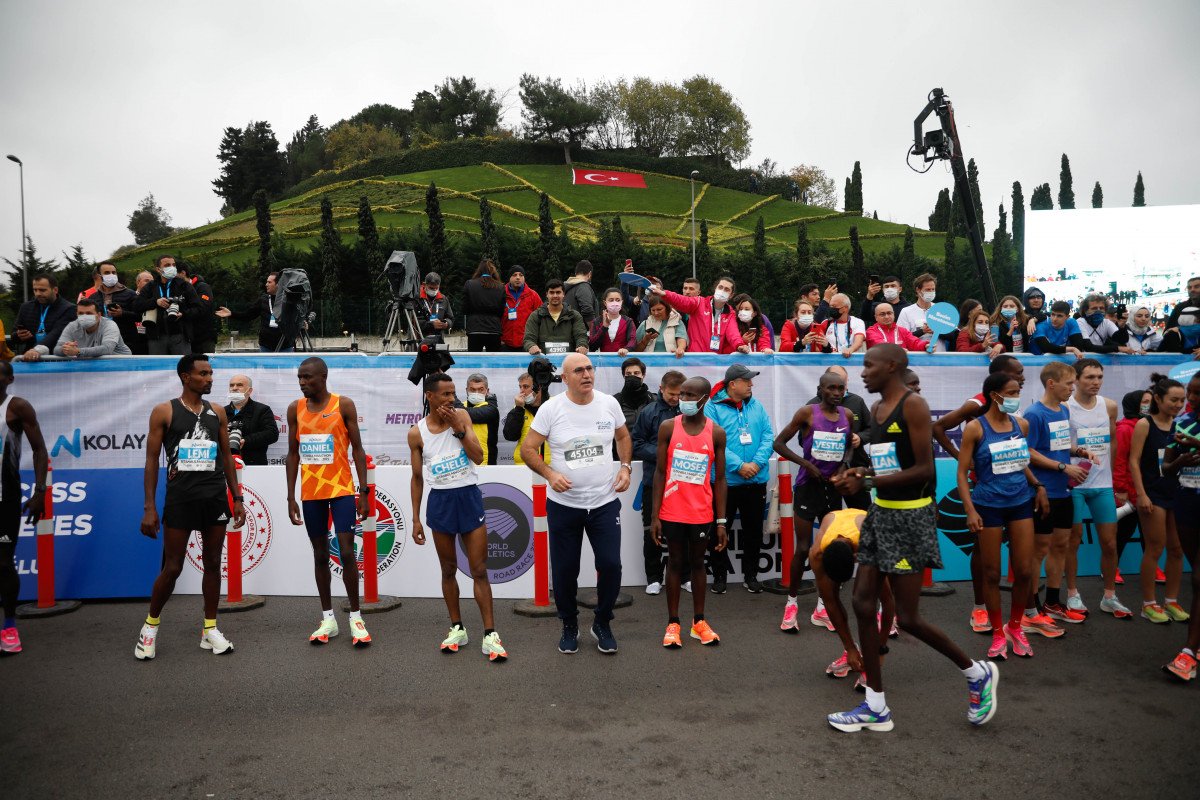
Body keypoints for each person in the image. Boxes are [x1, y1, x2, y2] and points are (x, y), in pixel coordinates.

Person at [827, 344, 997, 733]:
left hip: (908, 519)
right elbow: (891, 461)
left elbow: (923, 470)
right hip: (880, 513)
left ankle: (976, 672)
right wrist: (865, 475)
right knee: (862, 602)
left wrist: (869, 478)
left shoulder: (913, 405)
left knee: (907, 617)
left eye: (869, 365)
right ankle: (875, 706)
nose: (863, 371)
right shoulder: (878, 410)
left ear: (892, 366)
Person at [520, 353, 633, 655]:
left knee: (610, 565)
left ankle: (602, 622)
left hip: (604, 503)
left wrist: (625, 467)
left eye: (589, 369)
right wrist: (549, 473)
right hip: (564, 505)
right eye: (578, 370)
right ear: (565, 378)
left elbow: (623, 437)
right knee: (565, 571)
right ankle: (569, 623)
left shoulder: (609, 404)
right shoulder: (551, 408)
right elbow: (529, 449)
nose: (586, 374)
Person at [135, 354, 245, 660]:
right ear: (186, 377)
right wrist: (149, 507)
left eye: (211, 373)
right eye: (203, 373)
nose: (210, 378)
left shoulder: (218, 411)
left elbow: (226, 458)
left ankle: (210, 629)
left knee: (212, 563)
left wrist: (236, 498)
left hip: (213, 498)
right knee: (172, 567)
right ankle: (150, 628)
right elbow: (150, 461)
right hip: (181, 498)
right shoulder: (164, 411)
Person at [408, 373, 508, 662]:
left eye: (453, 393)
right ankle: (457, 628)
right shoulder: (416, 433)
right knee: (448, 569)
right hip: (440, 502)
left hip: (468, 496)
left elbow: (478, 457)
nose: (452, 399)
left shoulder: (462, 417)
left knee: (479, 569)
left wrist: (458, 429)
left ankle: (490, 634)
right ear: (430, 396)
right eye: (446, 394)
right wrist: (415, 518)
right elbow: (416, 478)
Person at [957, 372, 1048, 660]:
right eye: (1011, 392)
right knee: (992, 573)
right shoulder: (975, 428)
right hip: (988, 505)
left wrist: (1037, 485)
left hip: (1021, 502)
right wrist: (970, 509)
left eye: (1017, 392)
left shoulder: (1020, 424)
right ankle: (998, 633)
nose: (1015, 397)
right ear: (994, 395)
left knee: (1024, 571)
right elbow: (961, 472)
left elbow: (1020, 461)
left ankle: (1016, 627)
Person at [285, 358, 371, 647]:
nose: (302, 382)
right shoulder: (294, 409)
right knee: (320, 555)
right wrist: (290, 495)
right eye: (299, 377)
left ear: (323, 377)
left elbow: (357, 450)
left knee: (346, 552)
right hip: (311, 494)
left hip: (341, 489)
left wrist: (363, 491)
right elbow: (293, 454)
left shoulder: (342, 405)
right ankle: (327, 618)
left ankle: (356, 618)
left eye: (307, 377)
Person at [773, 371, 859, 632]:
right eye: (830, 388)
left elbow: (850, 445)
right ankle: (792, 603)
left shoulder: (848, 416)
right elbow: (779, 444)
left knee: (831, 549)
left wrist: (844, 464)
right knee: (802, 549)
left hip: (832, 490)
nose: (836, 392)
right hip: (807, 488)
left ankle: (823, 606)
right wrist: (805, 464)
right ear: (820, 389)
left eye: (840, 388)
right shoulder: (807, 413)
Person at [651, 376, 727, 648]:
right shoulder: (668, 428)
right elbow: (660, 472)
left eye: (690, 395)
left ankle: (699, 622)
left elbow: (720, 479)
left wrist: (721, 521)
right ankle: (673, 624)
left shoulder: (716, 432)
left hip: (702, 512)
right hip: (672, 510)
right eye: (682, 393)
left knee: (697, 564)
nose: (683, 399)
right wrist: (655, 516)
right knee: (674, 562)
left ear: (705, 399)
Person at [1024, 362, 1091, 634]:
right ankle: (1030, 608)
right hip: (1043, 492)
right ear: (1051, 384)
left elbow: (1057, 446)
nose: (1072, 388)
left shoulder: (1063, 410)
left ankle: (1052, 603)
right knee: (1038, 550)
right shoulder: (1033, 413)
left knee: (1061, 546)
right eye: (1069, 384)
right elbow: (1028, 452)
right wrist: (1063, 467)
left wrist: (1078, 451)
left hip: (1064, 491)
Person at [1064, 359, 1126, 618]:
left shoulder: (1109, 405)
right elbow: (1056, 444)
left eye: (1099, 377)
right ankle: (1072, 594)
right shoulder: (1064, 407)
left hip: (1102, 484)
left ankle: (1109, 597)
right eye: (1089, 377)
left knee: (1110, 544)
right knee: (1073, 542)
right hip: (1074, 485)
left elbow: (1113, 442)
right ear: (1076, 379)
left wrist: (1114, 480)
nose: (1096, 382)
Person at [705, 364, 774, 593]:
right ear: (733, 384)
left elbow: (768, 436)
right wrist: (740, 465)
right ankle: (719, 576)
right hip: (725, 481)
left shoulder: (756, 405)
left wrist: (755, 464)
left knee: (753, 530)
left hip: (755, 480)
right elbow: (712, 441)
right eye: (747, 381)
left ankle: (751, 575)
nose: (751, 384)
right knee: (718, 529)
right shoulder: (712, 408)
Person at [1128, 374, 1188, 624]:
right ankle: (1149, 604)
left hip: (1179, 492)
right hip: (1153, 493)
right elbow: (1134, 461)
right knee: (1155, 547)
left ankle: (1171, 601)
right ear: (1159, 399)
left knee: (1176, 550)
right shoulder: (1145, 424)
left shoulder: (1182, 424)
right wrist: (1141, 494)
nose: (1178, 404)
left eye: (1182, 400)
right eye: (1173, 400)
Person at [0, 362, 48, 655]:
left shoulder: (16, 407)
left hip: (4, 497)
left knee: (3, 564)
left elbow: (40, 449)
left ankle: (8, 627)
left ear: (10, 379)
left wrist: (40, 491)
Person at [631, 370, 685, 595]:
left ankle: (686, 576)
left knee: (685, 531)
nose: (675, 398)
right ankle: (653, 577)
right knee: (652, 530)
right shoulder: (649, 412)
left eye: (679, 394)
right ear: (661, 389)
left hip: (685, 482)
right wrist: (666, 453)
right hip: (655, 481)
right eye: (671, 393)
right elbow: (637, 444)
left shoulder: (689, 410)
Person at [1162, 389, 1200, 681]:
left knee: (1199, 579)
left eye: (1199, 394)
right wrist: (1181, 461)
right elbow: (1167, 467)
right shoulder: (1183, 421)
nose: (1192, 398)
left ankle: (1187, 653)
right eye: (1191, 393)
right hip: (1187, 502)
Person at [650, 276, 737, 354]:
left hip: (714, 360)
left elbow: (733, 334)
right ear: (715, 288)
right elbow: (680, 300)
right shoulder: (699, 302)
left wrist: (739, 344)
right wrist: (665, 294)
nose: (722, 291)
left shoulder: (730, 313)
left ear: (731, 295)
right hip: (695, 357)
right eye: (720, 287)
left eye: (727, 289)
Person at [132, 255, 199, 355]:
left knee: (184, 366)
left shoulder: (184, 285)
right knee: (157, 367)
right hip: (156, 336)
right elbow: (136, 306)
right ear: (158, 269)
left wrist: (183, 314)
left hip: (180, 335)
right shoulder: (151, 286)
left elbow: (198, 308)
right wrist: (155, 302)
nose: (172, 267)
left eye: (173, 265)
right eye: (167, 265)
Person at [215, 272, 295, 352]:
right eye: (267, 282)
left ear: (278, 284)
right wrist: (231, 314)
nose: (266, 284)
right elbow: (247, 315)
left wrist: (303, 322)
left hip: (285, 346)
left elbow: (297, 317)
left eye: (269, 282)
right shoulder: (263, 300)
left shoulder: (289, 300)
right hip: (266, 346)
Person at [10, 274, 75, 362]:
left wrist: (36, 350)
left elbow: (56, 334)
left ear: (55, 290)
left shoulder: (68, 308)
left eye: (42, 290)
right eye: (35, 290)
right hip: (30, 359)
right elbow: (14, 336)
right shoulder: (26, 307)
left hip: (56, 359)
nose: (38, 294)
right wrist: (18, 336)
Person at [224, 374, 279, 466]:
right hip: (226, 466)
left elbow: (272, 434)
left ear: (249, 391)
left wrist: (245, 440)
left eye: (239, 385)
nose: (234, 388)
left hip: (255, 466)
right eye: (231, 385)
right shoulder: (221, 412)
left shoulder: (262, 410)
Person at [523, 279, 588, 356]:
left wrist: (582, 345)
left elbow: (581, 336)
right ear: (547, 294)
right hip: (542, 363)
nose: (555, 296)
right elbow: (528, 338)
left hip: (569, 363)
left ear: (563, 294)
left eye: (558, 292)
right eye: (551, 292)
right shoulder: (536, 316)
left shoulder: (574, 316)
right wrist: (531, 346)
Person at [52, 297, 133, 357]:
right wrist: (66, 349)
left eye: (89, 313)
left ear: (99, 315)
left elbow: (107, 349)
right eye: (81, 313)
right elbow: (56, 349)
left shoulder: (110, 325)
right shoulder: (72, 326)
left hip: (121, 365)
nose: (84, 316)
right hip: (93, 366)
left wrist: (78, 351)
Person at [93, 261, 139, 352]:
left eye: (113, 272)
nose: (111, 275)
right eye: (107, 273)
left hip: (127, 341)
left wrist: (122, 313)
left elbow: (140, 315)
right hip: (101, 341)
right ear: (99, 276)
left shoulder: (130, 294)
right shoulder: (93, 297)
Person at [503, 372, 546, 466]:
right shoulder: (518, 408)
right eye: (520, 387)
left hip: (549, 466)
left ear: (538, 387)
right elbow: (510, 436)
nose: (521, 391)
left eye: (526, 387)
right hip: (523, 466)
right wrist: (518, 409)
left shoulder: (552, 405)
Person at [462, 259, 505, 352]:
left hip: (475, 329)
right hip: (494, 329)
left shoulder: (469, 284)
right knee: (494, 363)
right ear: (492, 270)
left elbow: (464, 308)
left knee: (473, 362)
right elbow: (502, 310)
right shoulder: (500, 287)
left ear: (479, 270)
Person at [176, 264, 218, 354]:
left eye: (174, 274)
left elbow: (203, 308)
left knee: (205, 364)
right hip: (187, 337)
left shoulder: (202, 287)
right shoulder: (178, 289)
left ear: (183, 273)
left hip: (204, 337)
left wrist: (184, 313)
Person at [458, 373, 499, 466]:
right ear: (466, 390)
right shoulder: (461, 407)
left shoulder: (491, 409)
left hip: (485, 464)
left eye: (480, 390)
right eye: (472, 390)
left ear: (487, 391)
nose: (476, 393)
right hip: (462, 463)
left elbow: (466, 414)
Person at [501, 266, 541, 351]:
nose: (518, 277)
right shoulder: (500, 294)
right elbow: (496, 317)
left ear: (524, 278)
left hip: (527, 344)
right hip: (504, 343)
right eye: (514, 275)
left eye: (521, 275)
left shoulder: (533, 295)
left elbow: (540, 319)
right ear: (509, 278)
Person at [588, 288, 636, 354]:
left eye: (617, 300)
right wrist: (604, 327)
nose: (615, 303)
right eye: (611, 300)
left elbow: (632, 340)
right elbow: (592, 346)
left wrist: (626, 349)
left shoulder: (628, 321)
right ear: (605, 303)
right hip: (603, 361)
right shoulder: (597, 321)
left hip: (623, 359)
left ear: (621, 302)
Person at [896, 274, 938, 345]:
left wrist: (937, 331)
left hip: (940, 354)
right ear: (918, 290)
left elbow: (953, 335)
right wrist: (922, 331)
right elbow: (901, 338)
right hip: (916, 355)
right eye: (927, 289)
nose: (931, 292)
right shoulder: (906, 311)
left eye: (933, 289)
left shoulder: (941, 309)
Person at [613, 358, 655, 429]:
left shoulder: (654, 400)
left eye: (636, 373)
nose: (632, 376)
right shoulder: (614, 401)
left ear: (643, 375)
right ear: (624, 376)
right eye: (628, 374)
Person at [824, 293, 867, 358]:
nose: (831, 309)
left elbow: (859, 341)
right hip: (831, 361)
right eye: (830, 306)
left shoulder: (857, 322)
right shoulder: (826, 323)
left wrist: (851, 349)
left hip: (851, 362)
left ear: (845, 308)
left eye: (834, 306)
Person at [415, 272, 454, 342]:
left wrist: (447, 324)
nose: (434, 290)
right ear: (425, 284)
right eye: (431, 288)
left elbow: (451, 318)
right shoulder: (416, 298)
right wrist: (431, 325)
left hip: (438, 340)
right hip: (418, 340)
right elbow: (412, 322)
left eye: (436, 288)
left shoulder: (443, 299)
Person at [563, 260, 599, 325]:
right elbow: (587, 310)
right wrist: (593, 331)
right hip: (581, 332)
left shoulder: (563, 289)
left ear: (576, 273)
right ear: (590, 274)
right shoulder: (583, 286)